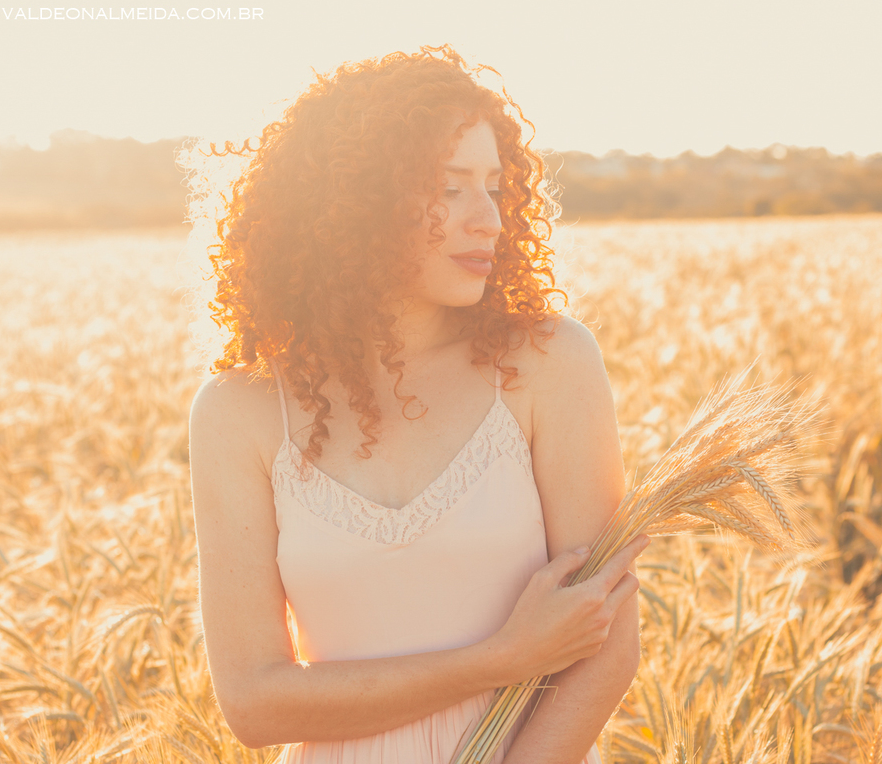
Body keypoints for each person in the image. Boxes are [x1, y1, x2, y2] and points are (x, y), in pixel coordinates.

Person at [186, 45, 649, 764]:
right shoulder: (238, 412)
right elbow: (253, 702)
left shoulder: (548, 363)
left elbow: (609, 641)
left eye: (494, 186)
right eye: (451, 186)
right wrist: (501, 659)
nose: (489, 219)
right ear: (356, 199)